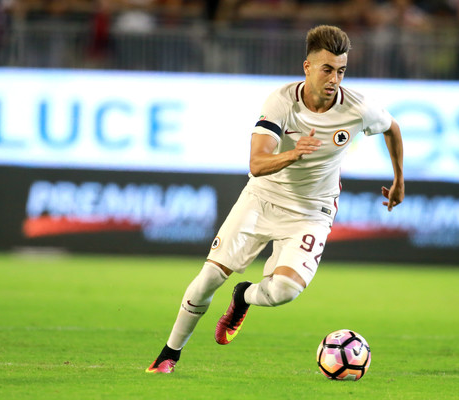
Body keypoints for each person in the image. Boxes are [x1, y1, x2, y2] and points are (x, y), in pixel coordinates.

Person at [145, 24, 405, 374]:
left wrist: (399, 179)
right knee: (208, 278)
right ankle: (169, 354)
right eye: (327, 69)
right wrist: (293, 154)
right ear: (307, 67)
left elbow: (392, 128)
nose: (334, 79)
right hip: (262, 199)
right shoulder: (281, 102)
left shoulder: (358, 108)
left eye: (341, 71)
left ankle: (243, 297)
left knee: (283, 291)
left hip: (312, 212)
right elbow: (257, 163)